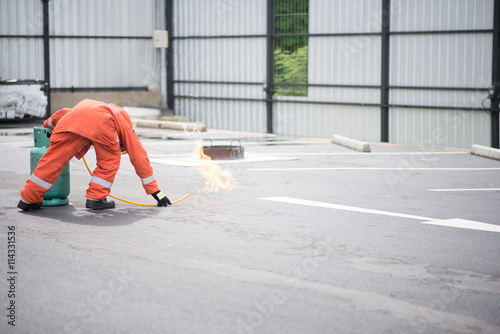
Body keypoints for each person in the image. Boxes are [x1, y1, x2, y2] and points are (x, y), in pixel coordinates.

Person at [18, 99, 171, 211]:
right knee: (109, 161)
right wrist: (156, 192)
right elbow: (139, 156)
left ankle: (28, 199)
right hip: (102, 124)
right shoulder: (123, 123)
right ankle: (96, 198)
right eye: (121, 148)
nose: (120, 149)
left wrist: (47, 126)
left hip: (71, 121)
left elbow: (62, 114)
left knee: (51, 161)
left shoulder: (98, 106)